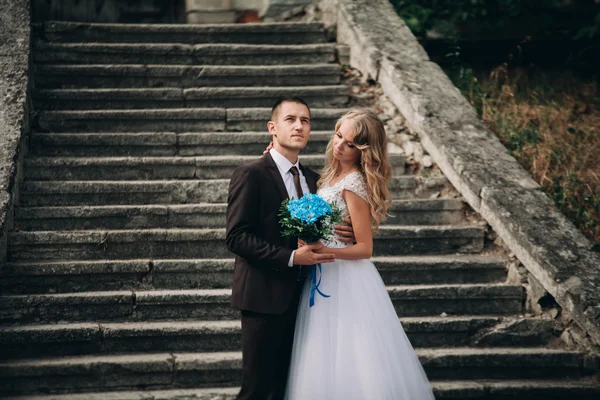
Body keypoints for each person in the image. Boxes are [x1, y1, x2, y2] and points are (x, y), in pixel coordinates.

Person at [284, 109, 436, 400]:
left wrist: (325, 249)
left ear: (364, 151)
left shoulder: (353, 184)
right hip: (324, 273)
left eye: (351, 143)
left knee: (352, 351)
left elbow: (365, 248)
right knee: (323, 352)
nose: (340, 144)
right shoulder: (331, 174)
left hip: (345, 278)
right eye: (339, 135)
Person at [225, 97, 354, 400]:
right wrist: (292, 257)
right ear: (272, 128)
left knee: (288, 390)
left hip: (308, 302)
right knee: (256, 390)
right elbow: (237, 236)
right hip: (264, 297)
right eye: (291, 119)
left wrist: (348, 231)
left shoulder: (314, 180)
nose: (299, 125)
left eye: (305, 120)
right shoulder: (251, 174)